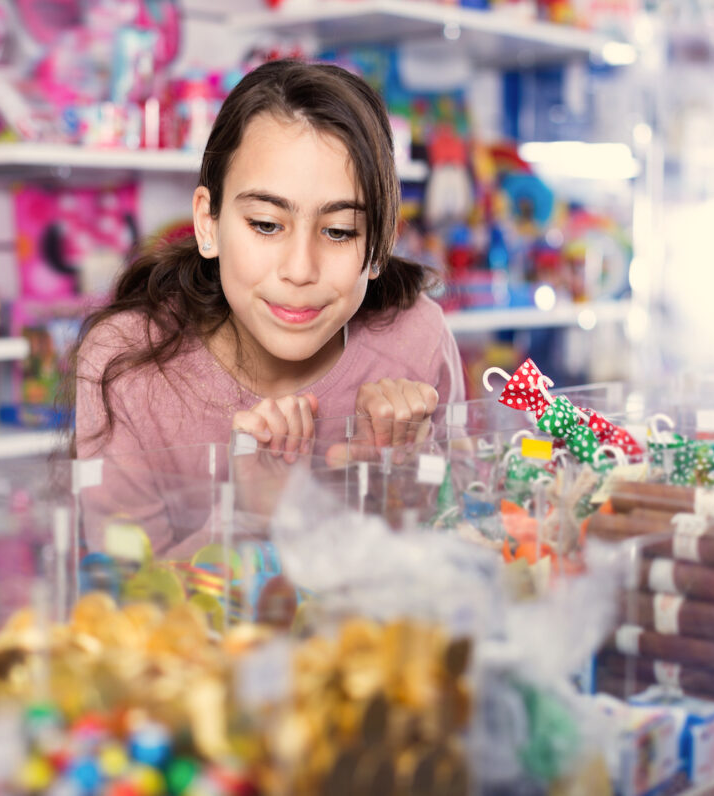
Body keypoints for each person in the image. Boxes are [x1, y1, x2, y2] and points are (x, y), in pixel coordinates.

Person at [72, 59, 466, 555]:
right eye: (265, 224)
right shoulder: (128, 362)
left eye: (339, 231)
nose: (300, 270)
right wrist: (248, 520)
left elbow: (470, 547)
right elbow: (125, 604)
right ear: (208, 224)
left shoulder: (416, 340)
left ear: (380, 246)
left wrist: (406, 481)